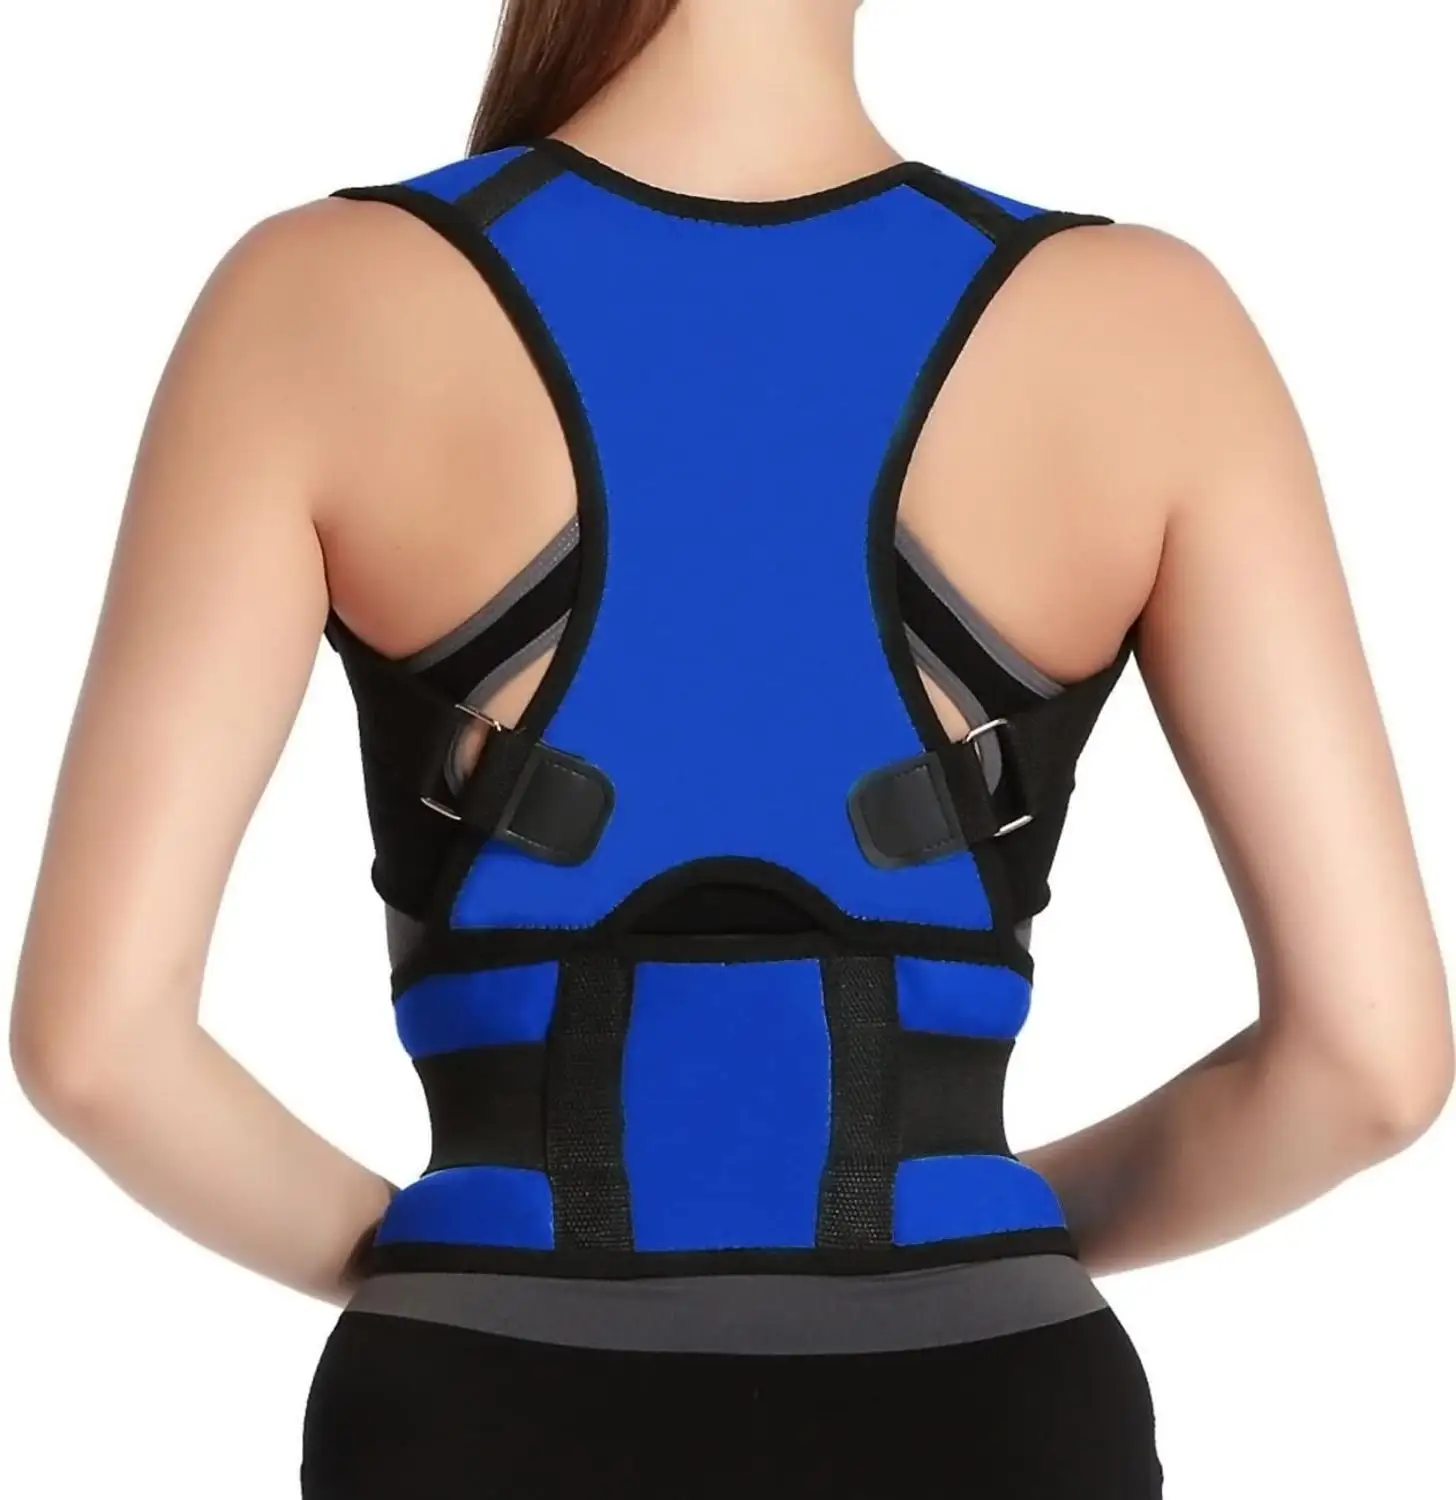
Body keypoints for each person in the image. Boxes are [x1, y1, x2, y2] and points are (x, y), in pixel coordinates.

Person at [9, 1, 1451, 1496]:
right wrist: (975, 1225)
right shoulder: (1148, 327)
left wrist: (452, 1261)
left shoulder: (317, 298)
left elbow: (98, 1047)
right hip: (988, 1402)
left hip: (484, 1397)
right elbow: (1370, 1064)